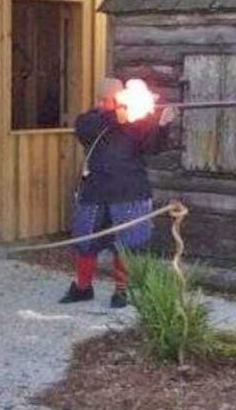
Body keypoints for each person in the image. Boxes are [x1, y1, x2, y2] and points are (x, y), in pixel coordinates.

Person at [59, 77, 175, 308]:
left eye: (110, 99)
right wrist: (115, 116)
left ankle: (121, 291)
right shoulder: (88, 121)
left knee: (127, 243)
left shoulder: (137, 122)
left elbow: (153, 148)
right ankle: (83, 287)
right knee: (86, 240)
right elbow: (88, 129)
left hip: (129, 190)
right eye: (104, 99)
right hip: (96, 190)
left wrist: (163, 126)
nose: (106, 103)